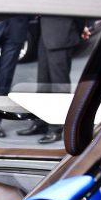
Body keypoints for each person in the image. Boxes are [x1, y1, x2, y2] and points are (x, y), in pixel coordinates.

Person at [18, 16, 90, 144]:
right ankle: (41, 122)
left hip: (61, 36)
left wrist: (80, 28)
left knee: (59, 86)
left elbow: (77, 11)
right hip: (45, 35)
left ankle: (56, 128)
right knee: (43, 84)